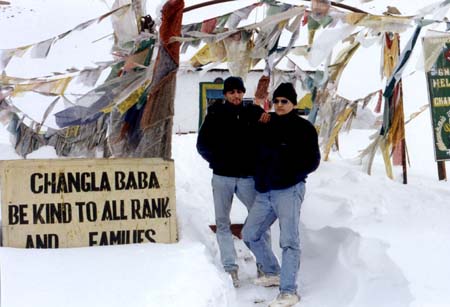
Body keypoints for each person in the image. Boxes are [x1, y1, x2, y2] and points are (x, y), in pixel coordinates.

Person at [242, 82, 320, 306]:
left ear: (293, 103)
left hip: (288, 190)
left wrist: (290, 174)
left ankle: (288, 291)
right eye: (276, 101)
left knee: (289, 241)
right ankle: (273, 271)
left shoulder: (304, 128)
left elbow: (312, 161)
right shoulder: (267, 123)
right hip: (265, 192)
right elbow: (249, 130)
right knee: (250, 234)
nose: (279, 105)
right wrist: (259, 112)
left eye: (284, 101)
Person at [196, 76, 270, 288]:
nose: (236, 95)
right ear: (225, 94)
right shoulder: (215, 114)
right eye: (231, 92)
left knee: (260, 221)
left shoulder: (254, 113)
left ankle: (264, 265)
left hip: (248, 178)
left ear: (243, 92)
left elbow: (267, 140)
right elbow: (202, 145)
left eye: (239, 91)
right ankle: (230, 269)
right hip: (222, 177)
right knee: (222, 222)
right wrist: (218, 161)